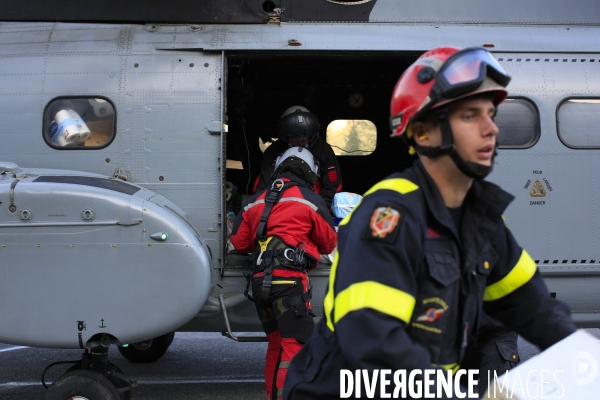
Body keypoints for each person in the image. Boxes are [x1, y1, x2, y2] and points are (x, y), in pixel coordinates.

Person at [283, 46, 577, 399]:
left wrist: (583, 362)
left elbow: (535, 309)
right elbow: (376, 345)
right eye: (470, 116)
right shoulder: (386, 218)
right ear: (423, 134)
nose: (491, 129)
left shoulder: (481, 220)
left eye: (491, 114)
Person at [230, 146, 337, 400]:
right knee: (294, 348)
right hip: (289, 283)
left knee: (276, 346)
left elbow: (240, 243)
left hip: (259, 285)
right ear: (311, 172)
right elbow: (329, 243)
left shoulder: (256, 200)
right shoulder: (309, 199)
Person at [255, 106, 342, 209]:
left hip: (315, 199)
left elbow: (332, 184)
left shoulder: (323, 149)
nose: (300, 141)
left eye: (304, 137)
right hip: (279, 200)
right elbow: (265, 183)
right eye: (295, 138)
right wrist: (264, 208)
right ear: (286, 136)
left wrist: (321, 208)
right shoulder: (273, 152)